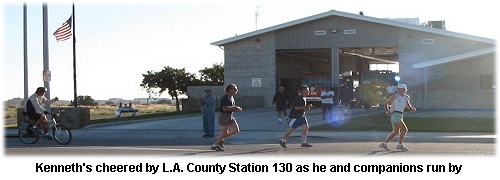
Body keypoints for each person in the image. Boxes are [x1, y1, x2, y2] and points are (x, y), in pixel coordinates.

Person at [379, 84, 416, 151]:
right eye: (398, 89)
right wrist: (387, 111)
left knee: (396, 132)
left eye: (400, 89)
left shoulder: (406, 97)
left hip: (400, 114)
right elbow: (386, 103)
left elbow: (407, 104)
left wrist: (411, 108)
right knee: (404, 129)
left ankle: (384, 144)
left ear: (404, 90)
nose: (398, 90)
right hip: (395, 114)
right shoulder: (395, 96)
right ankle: (400, 145)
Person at [211, 84, 243, 151]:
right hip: (224, 115)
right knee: (224, 132)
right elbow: (225, 108)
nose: (236, 90)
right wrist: (235, 107)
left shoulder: (231, 97)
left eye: (236, 89)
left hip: (230, 116)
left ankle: (219, 139)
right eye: (234, 89)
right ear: (229, 89)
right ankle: (215, 145)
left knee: (236, 130)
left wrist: (234, 108)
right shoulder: (226, 97)